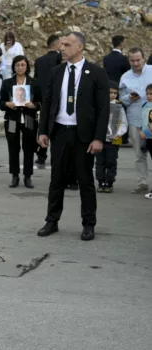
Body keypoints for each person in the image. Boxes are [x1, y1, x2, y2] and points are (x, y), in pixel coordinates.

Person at [37, 32, 110, 241]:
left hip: (83, 135)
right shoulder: (56, 72)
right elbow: (48, 102)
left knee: (85, 180)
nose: (62, 48)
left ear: (79, 47)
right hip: (60, 131)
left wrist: (98, 138)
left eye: (67, 44)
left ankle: (88, 224)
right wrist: (43, 131)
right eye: (62, 44)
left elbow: (103, 108)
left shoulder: (96, 73)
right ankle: (52, 221)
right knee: (56, 179)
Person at [0, 55, 41, 189]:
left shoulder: (35, 83)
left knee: (29, 147)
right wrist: (7, 104)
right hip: (12, 119)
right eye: (17, 65)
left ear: (27, 66)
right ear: (13, 67)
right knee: (13, 147)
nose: (20, 67)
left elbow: (42, 102)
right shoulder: (7, 83)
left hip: (29, 119)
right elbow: (1, 103)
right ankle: (14, 176)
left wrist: (34, 105)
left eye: (23, 65)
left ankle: (28, 176)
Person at [120, 48, 152, 194]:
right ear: (129, 60)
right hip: (135, 119)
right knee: (139, 154)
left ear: (144, 58)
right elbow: (121, 98)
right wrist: (129, 98)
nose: (135, 63)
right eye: (132, 60)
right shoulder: (125, 77)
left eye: (138, 60)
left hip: (151, 121)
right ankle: (142, 182)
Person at [33, 34, 63, 167]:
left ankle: (41, 155)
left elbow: (36, 80)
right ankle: (57, 155)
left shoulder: (39, 61)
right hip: (58, 98)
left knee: (43, 126)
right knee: (57, 128)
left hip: (43, 99)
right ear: (56, 44)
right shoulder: (60, 59)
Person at [96, 81, 128, 193]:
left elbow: (124, 123)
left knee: (111, 162)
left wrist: (118, 133)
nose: (112, 95)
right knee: (100, 162)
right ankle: (101, 182)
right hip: (100, 140)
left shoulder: (119, 106)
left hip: (114, 140)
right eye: (110, 92)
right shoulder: (99, 104)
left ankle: (109, 183)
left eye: (115, 93)